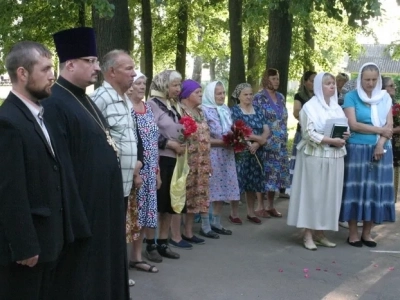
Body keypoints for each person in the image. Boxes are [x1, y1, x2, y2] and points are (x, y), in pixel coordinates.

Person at [42, 28, 129, 299]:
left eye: (95, 61)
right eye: (90, 61)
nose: (96, 67)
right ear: (70, 64)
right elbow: (61, 165)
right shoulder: (55, 102)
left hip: (104, 206)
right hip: (84, 211)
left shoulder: (84, 98)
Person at [0, 41, 89, 300]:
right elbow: (10, 191)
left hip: (50, 242)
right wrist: (24, 246)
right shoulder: (8, 123)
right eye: (46, 69)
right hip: (27, 251)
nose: (53, 75)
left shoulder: (39, 114)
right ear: (22, 73)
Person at [91, 50, 145, 286]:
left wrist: (135, 169)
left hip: (125, 181)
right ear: (111, 72)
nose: (134, 73)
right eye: (129, 68)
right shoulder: (100, 99)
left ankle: (116, 275)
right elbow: (95, 142)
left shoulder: (124, 98)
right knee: (105, 233)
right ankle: (103, 279)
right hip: (107, 184)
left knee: (117, 232)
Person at [287, 72, 350, 250]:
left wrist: (346, 134)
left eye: (333, 84)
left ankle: (321, 232)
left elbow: (344, 127)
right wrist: (331, 141)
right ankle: (307, 234)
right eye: (328, 83)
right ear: (318, 87)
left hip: (335, 156)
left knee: (328, 195)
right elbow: (308, 134)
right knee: (313, 194)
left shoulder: (337, 107)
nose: (332, 86)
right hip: (314, 156)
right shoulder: (309, 107)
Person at [339, 62, 395, 248]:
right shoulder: (351, 97)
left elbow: (389, 126)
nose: (370, 83)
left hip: (381, 149)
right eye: (366, 80)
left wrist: (380, 143)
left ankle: (368, 233)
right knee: (356, 190)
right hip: (357, 149)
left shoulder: (385, 97)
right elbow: (353, 124)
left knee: (373, 191)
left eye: (374, 79)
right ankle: (353, 233)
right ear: (360, 79)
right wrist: (378, 130)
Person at [147, 70, 190, 254]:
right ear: (163, 84)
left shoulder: (174, 105)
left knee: (169, 205)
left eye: (179, 85)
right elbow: (148, 133)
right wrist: (169, 143)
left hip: (177, 159)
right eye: (174, 85)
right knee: (157, 204)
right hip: (161, 159)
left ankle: (164, 242)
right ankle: (151, 244)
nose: (178, 89)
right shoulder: (152, 104)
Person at [127, 71, 162, 271]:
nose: (141, 86)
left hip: (150, 170)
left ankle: (136, 256)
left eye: (144, 83)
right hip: (134, 170)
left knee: (145, 215)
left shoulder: (148, 108)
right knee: (132, 214)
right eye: (138, 83)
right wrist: (136, 173)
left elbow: (154, 142)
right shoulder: (126, 109)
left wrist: (156, 172)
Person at [178, 80, 216, 241]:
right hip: (187, 161)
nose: (201, 94)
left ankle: (189, 231)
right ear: (186, 95)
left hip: (202, 161)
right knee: (185, 195)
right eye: (197, 92)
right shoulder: (180, 112)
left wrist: (209, 162)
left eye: (201, 92)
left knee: (197, 196)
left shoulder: (200, 112)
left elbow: (206, 137)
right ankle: (180, 232)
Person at [202, 81, 241, 228]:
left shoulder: (225, 109)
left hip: (226, 155)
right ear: (211, 94)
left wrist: (237, 138)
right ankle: (206, 225)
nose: (222, 96)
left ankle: (216, 222)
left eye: (223, 93)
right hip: (212, 154)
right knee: (210, 189)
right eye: (218, 93)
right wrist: (222, 142)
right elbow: (203, 137)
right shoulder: (204, 110)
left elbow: (230, 128)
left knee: (223, 188)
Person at [253, 68, 289, 217]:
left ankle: (270, 205)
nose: (276, 81)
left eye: (278, 79)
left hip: (280, 143)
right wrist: (259, 139)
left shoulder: (281, 97)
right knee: (265, 175)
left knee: (276, 176)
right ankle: (260, 206)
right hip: (266, 143)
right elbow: (256, 120)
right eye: (273, 79)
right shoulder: (259, 98)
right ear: (266, 79)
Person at [231, 83, 269, 224]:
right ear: (239, 96)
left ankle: (251, 212)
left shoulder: (258, 110)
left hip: (257, 151)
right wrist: (254, 141)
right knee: (238, 181)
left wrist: (257, 143)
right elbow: (237, 131)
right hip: (241, 151)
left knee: (253, 182)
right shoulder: (234, 110)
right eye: (245, 94)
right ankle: (234, 213)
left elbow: (266, 130)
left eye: (250, 94)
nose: (249, 97)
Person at [287, 71, 316, 193]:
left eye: (316, 81)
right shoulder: (299, 96)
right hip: (303, 132)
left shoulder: (319, 96)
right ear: (305, 82)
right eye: (311, 81)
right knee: (300, 160)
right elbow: (296, 112)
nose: (314, 84)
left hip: (317, 133)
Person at [382, 77, 399, 202]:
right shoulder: (379, 103)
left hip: (395, 144)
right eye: (391, 85)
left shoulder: (396, 106)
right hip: (380, 143)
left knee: (395, 172)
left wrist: (389, 131)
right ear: (383, 88)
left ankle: (391, 201)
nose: (394, 88)